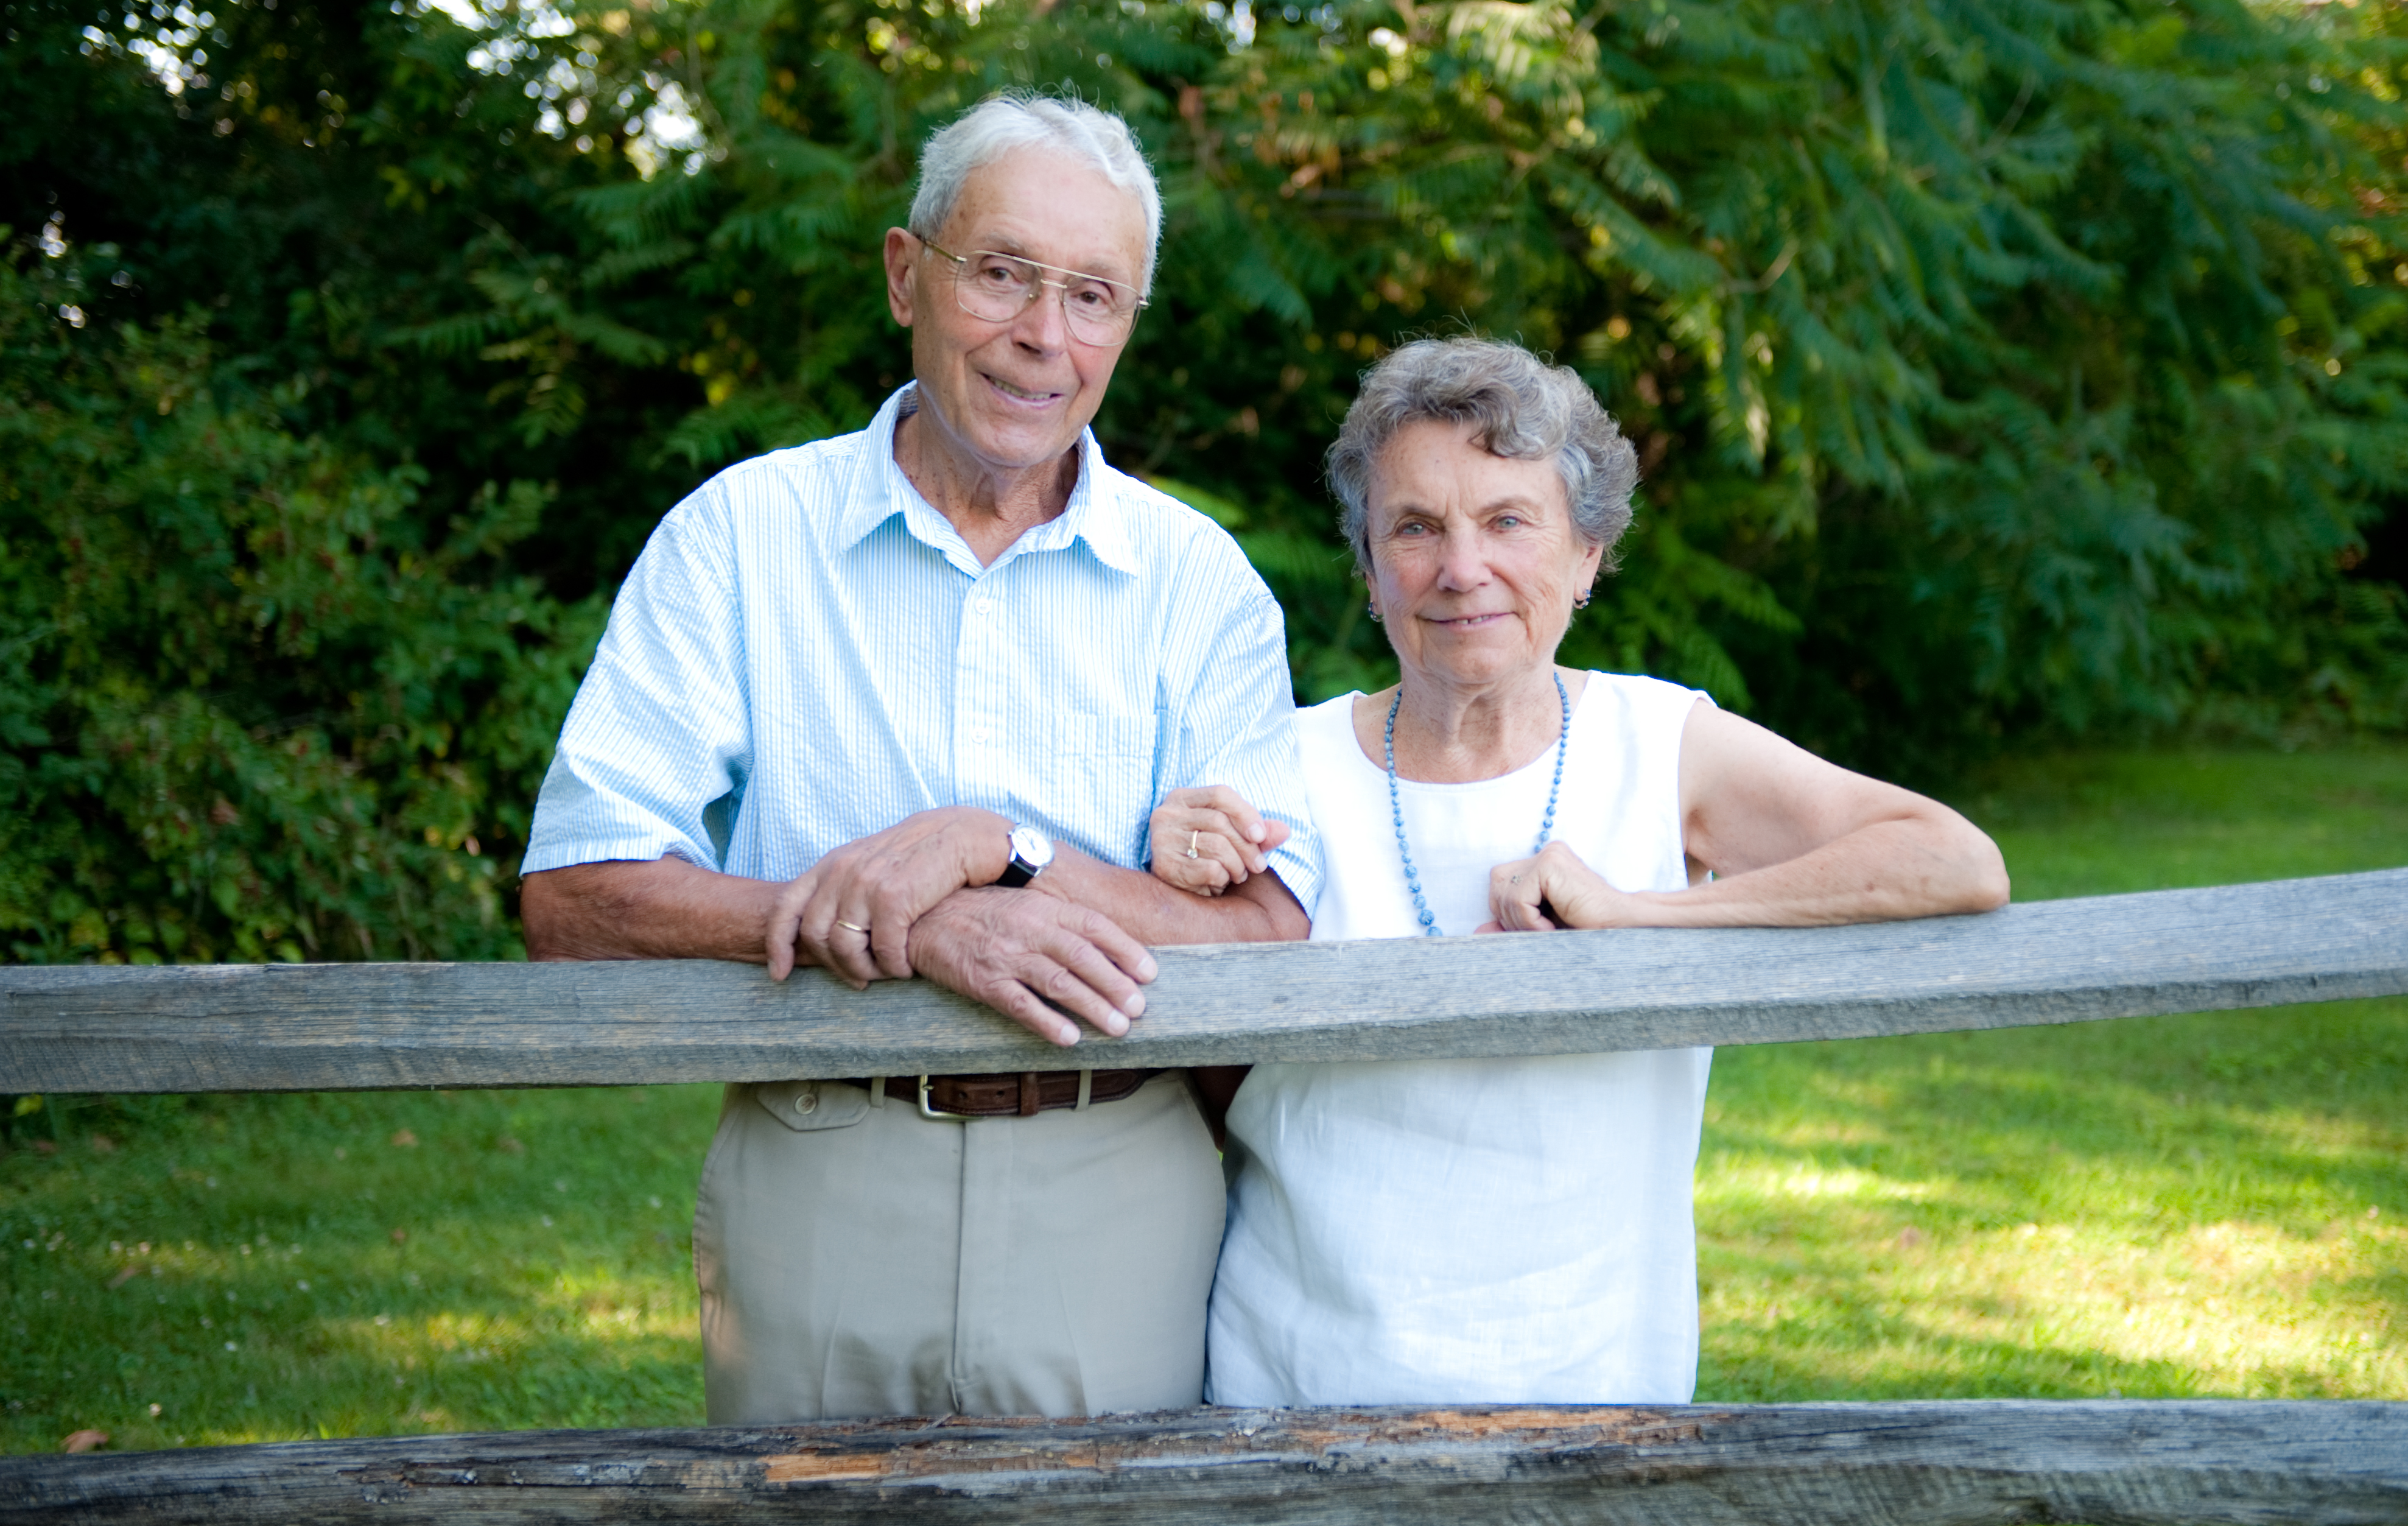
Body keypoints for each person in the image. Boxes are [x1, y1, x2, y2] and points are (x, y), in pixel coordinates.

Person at [517, 95, 1321, 1424]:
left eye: (1093, 296)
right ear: (907, 274)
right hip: (819, 1158)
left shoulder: (1201, 584)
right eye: (1001, 273)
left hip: (1114, 1173)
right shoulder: (740, 537)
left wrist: (999, 848)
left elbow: (1268, 944)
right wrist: (907, 932)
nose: (1042, 338)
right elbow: (575, 897)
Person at [1149, 336, 2009, 1406]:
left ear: (1588, 554)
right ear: (1370, 572)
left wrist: (1635, 914)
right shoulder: (1284, 762)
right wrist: (1172, 859)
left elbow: (1953, 859)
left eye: (1509, 521)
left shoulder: (1660, 746)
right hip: (1301, 1383)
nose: (1464, 568)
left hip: (1593, 1384)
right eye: (1416, 528)